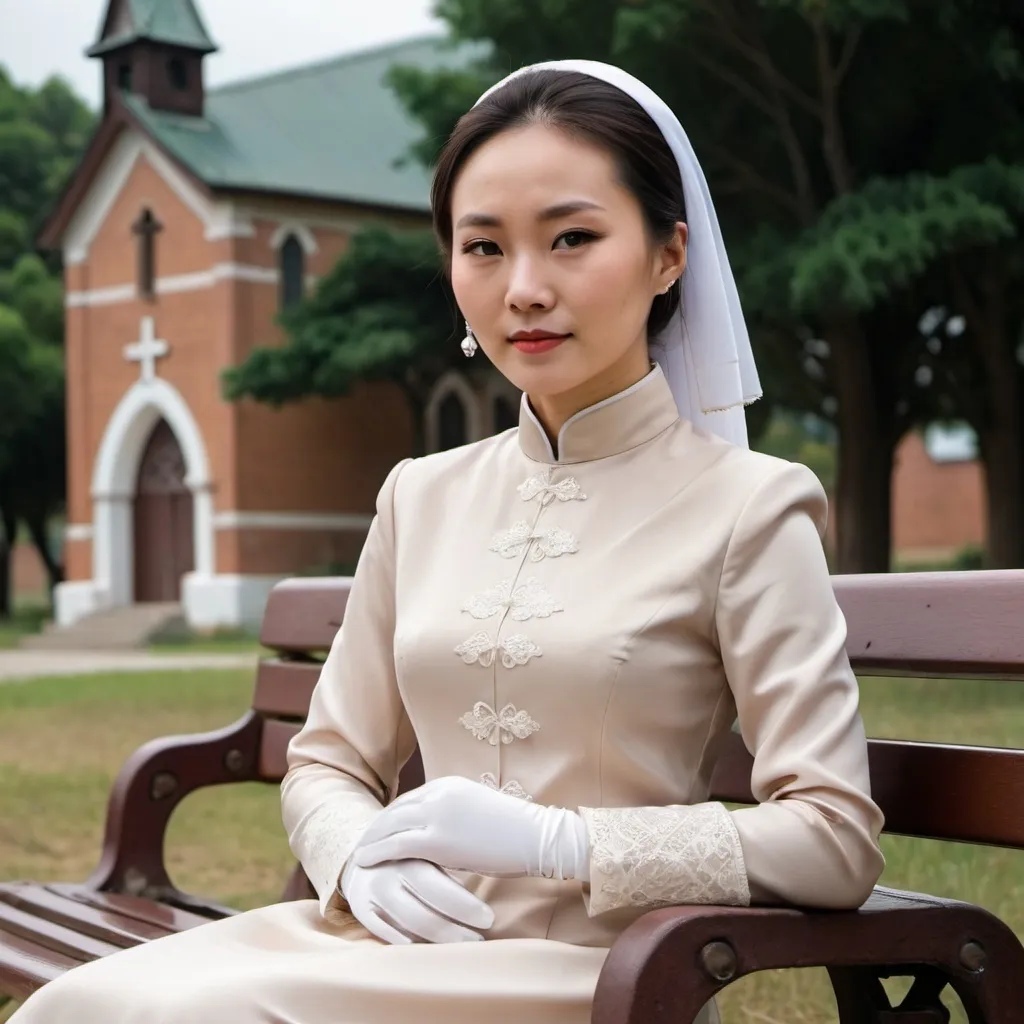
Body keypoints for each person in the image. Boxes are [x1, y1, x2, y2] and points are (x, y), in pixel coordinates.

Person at [10, 59, 885, 1024]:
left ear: (669, 255)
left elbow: (834, 839)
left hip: (591, 975)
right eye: (483, 247)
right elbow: (327, 761)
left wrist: (560, 843)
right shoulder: (419, 496)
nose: (524, 288)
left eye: (573, 238)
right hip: (382, 942)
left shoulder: (750, 506)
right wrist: (353, 857)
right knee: (79, 1005)